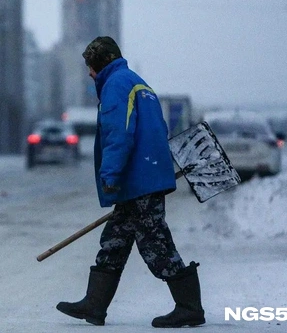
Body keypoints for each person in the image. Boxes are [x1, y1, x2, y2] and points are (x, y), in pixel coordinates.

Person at [55, 37, 205, 328]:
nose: (89, 73)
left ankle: (189, 307)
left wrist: (110, 175)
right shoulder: (139, 84)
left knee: (156, 243)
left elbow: (119, 133)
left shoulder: (116, 86)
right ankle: (94, 305)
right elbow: (158, 128)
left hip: (139, 181)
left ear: (101, 63)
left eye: (91, 67)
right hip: (145, 176)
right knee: (115, 240)